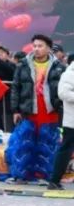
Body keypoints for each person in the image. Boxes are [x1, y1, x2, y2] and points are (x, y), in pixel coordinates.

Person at [7, 34, 63, 183]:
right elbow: (15, 88)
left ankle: (46, 175)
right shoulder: (23, 65)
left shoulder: (58, 66)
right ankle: (22, 175)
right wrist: (16, 110)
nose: (37, 49)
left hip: (50, 111)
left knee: (47, 143)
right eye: (35, 46)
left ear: (48, 48)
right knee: (25, 143)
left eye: (40, 46)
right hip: (28, 110)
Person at [48, 58, 74, 190]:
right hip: (72, 120)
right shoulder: (69, 73)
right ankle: (54, 180)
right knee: (66, 149)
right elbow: (63, 93)